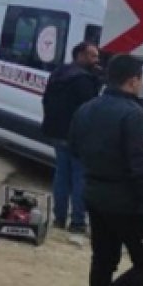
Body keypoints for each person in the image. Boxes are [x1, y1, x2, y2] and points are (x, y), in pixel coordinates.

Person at [66, 54, 143, 286]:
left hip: (95, 194)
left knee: (104, 260)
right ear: (133, 81)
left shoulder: (86, 109)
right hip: (128, 203)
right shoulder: (135, 117)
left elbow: (74, 147)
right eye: (141, 78)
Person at [41, 42, 103, 233]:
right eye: (93, 56)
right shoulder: (83, 80)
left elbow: (46, 100)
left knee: (61, 175)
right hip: (76, 137)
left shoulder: (59, 73)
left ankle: (59, 218)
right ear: (81, 55)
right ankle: (77, 221)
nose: (97, 60)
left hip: (56, 132)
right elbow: (89, 109)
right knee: (80, 177)